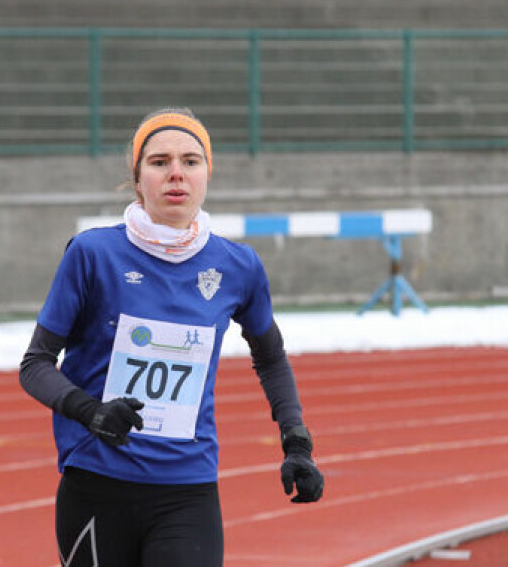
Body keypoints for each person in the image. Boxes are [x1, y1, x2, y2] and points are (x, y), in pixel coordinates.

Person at [19, 107, 324, 567]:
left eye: (191, 161)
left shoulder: (238, 266)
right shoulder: (93, 254)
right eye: (159, 162)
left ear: (208, 174)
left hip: (187, 491)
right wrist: (92, 412)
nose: (176, 174)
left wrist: (296, 442)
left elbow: (271, 357)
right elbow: (35, 365)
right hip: (98, 485)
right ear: (137, 178)